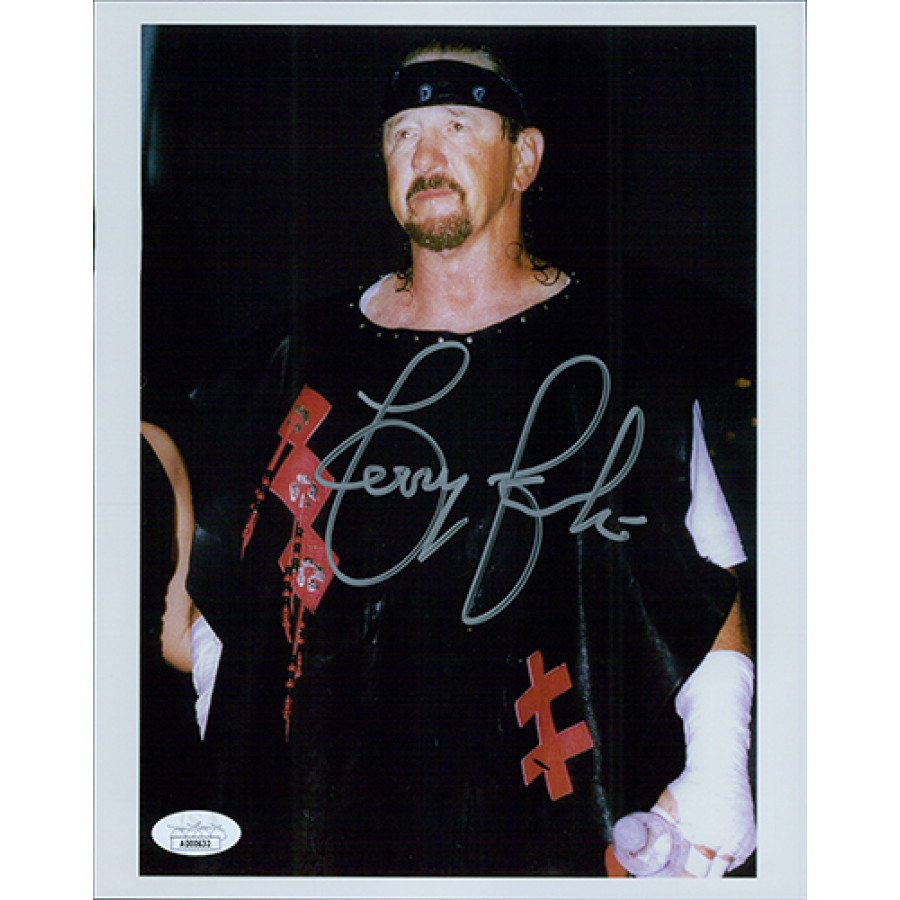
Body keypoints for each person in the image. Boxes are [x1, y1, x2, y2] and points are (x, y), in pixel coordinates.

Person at [178, 39, 756, 878]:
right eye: (402, 134)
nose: (426, 156)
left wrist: (718, 770)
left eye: (456, 126)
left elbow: (703, 571)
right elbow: (230, 585)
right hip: (332, 835)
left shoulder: (624, 357)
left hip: (560, 825)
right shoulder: (299, 361)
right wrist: (228, 734)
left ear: (524, 159)